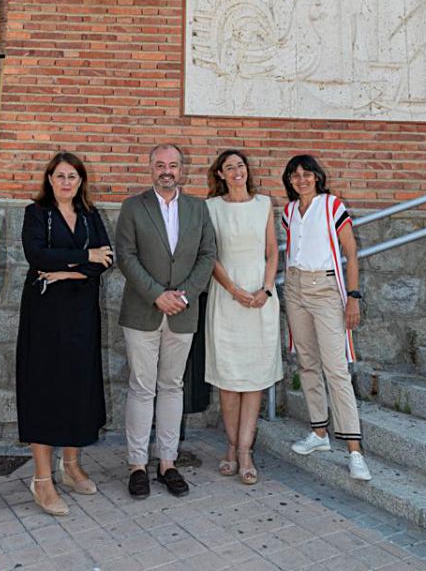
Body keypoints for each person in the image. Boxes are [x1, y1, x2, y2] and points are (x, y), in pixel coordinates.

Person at [115, 144, 216, 499]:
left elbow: (208, 255)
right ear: (150, 169)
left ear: (182, 170)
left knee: (172, 387)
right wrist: (157, 294)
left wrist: (184, 295)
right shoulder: (133, 207)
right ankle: (137, 465)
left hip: (183, 312)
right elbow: (125, 256)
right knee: (142, 387)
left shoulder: (198, 209)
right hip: (143, 309)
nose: (166, 171)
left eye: (173, 165)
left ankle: (168, 463)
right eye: (160, 165)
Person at [16, 151, 113, 516]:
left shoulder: (90, 215)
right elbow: (37, 255)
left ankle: (70, 466)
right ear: (50, 179)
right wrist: (85, 257)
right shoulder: (36, 214)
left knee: (77, 387)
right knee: (43, 388)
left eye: (73, 176)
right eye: (60, 176)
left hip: (81, 314)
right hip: (44, 315)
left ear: (81, 180)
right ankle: (42, 480)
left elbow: (107, 260)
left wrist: (70, 270)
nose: (66, 182)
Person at [281, 154, 371, 481]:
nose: (301, 179)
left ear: (317, 177)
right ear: (289, 181)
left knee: (336, 369)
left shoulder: (332, 206)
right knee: (307, 362)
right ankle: (319, 434)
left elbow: (350, 253)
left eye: (307, 174)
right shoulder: (289, 212)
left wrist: (353, 297)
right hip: (294, 287)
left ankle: (354, 450)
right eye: (295, 175)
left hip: (326, 289)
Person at [205, 149, 282, 485]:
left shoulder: (264, 204)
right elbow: (209, 256)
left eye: (240, 166)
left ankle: (246, 452)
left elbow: (271, 251)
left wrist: (265, 289)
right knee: (228, 378)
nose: (237, 171)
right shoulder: (210, 208)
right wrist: (235, 290)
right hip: (226, 297)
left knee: (254, 377)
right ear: (220, 174)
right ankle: (231, 446)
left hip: (261, 300)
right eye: (229, 167)